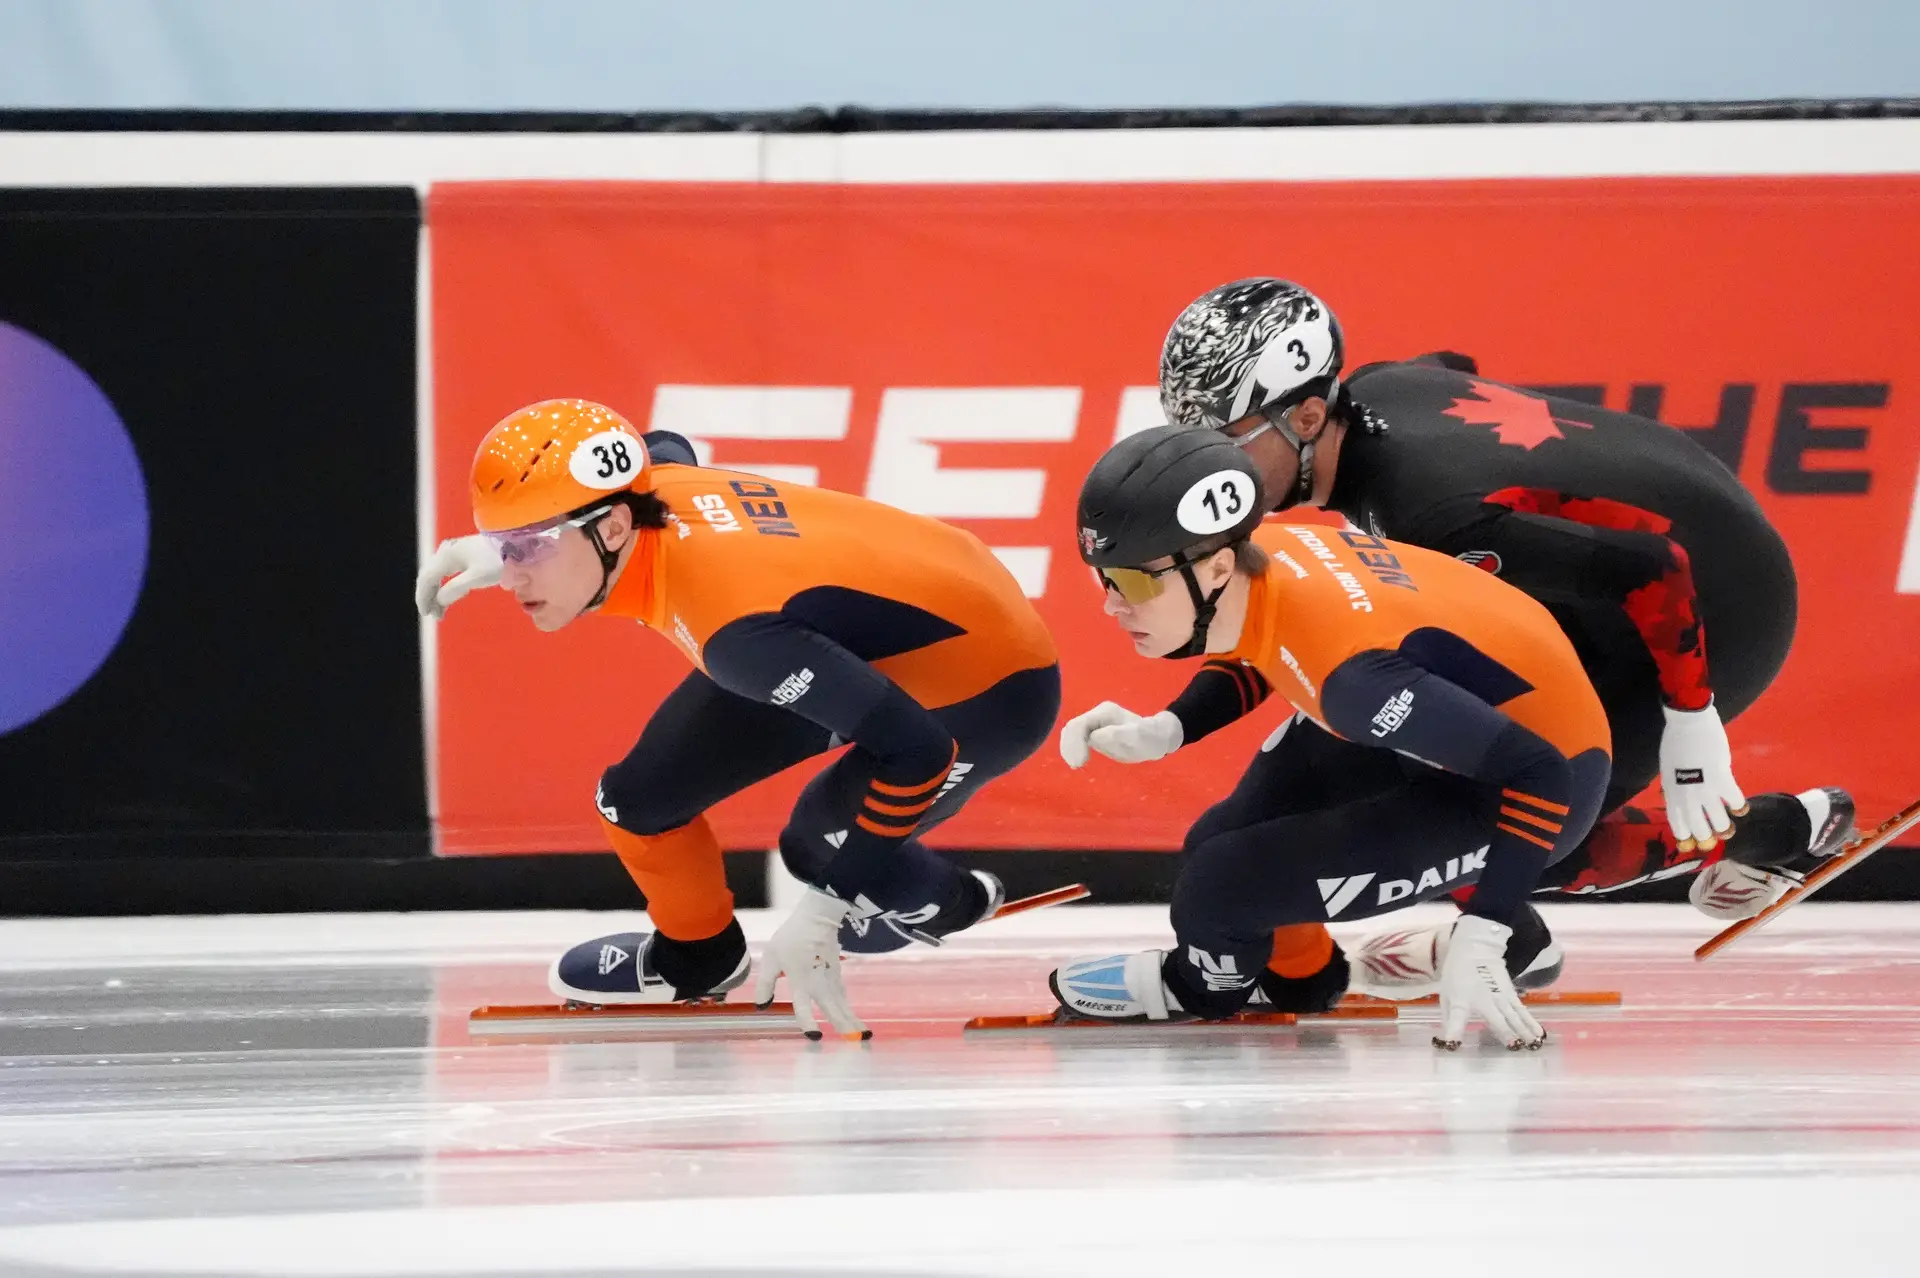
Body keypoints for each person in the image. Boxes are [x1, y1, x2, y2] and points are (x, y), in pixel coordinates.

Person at [1144, 278, 1852, 992]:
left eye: (1222, 441)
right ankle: (1521, 933)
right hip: (1686, 515)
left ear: (1306, 415)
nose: (1206, 469)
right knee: (1423, 735)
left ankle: (1774, 829)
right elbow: (1452, 365)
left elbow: (1654, 569)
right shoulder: (1384, 387)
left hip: (1718, 604)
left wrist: (1691, 722)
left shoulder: (1435, 516)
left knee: (1531, 822)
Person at [416, 399, 1060, 1039]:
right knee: (636, 800)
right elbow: (664, 445)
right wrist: (510, 539)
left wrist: (822, 908)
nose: (507, 575)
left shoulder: (735, 634)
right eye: (504, 545)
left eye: (527, 547)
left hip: (992, 680)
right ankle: (698, 957)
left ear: (614, 529)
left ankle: (954, 900)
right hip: (864, 622)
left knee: (818, 849)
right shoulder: (646, 488)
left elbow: (919, 751)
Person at [1052, 426, 1611, 1049]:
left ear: (1214, 568)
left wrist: (1485, 931)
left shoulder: (1351, 681)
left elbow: (1541, 773)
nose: (1110, 606)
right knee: (1216, 839)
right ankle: (1303, 975)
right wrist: (1171, 727)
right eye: (1103, 579)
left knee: (1221, 887)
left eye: (1132, 583)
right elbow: (1255, 641)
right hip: (1443, 713)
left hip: (1536, 782)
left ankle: (1202, 986)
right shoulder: (1262, 553)